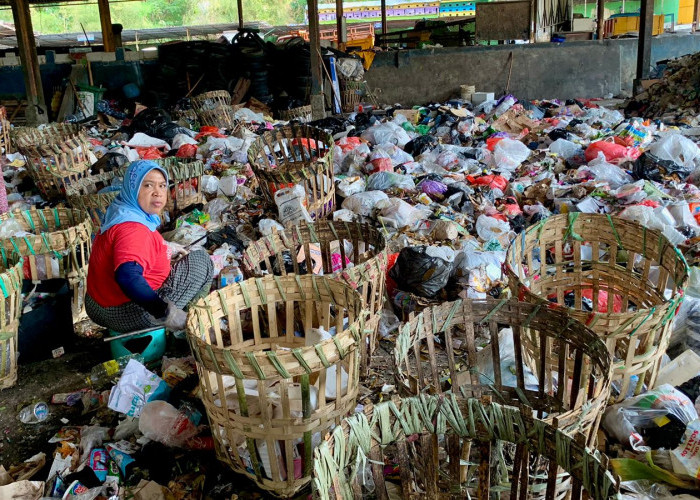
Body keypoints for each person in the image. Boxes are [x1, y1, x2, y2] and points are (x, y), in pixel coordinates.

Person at [86, 160, 213, 333]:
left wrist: (165, 247)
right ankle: (190, 327)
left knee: (182, 254)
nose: (158, 193)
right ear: (134, 189)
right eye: (148, 186)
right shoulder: (133, 229)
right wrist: (167, 313)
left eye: (162, 186)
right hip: (125, 312)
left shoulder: (122, 211)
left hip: (97, 304)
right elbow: (127, 276)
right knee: (201, 260)